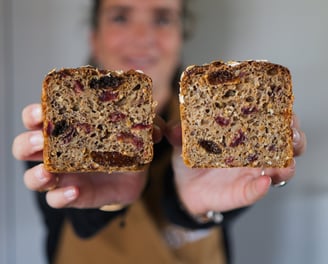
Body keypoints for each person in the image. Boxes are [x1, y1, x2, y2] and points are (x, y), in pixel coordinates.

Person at [12, 0, 307, 263]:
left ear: (180, 37)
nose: (143, 37)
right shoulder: (56, 129)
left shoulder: (233, 125)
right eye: (120, 17)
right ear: (94, 37)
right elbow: (73, 227)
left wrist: (194, 208)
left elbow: (217, 209)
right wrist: (100, 197)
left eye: (163, 18)